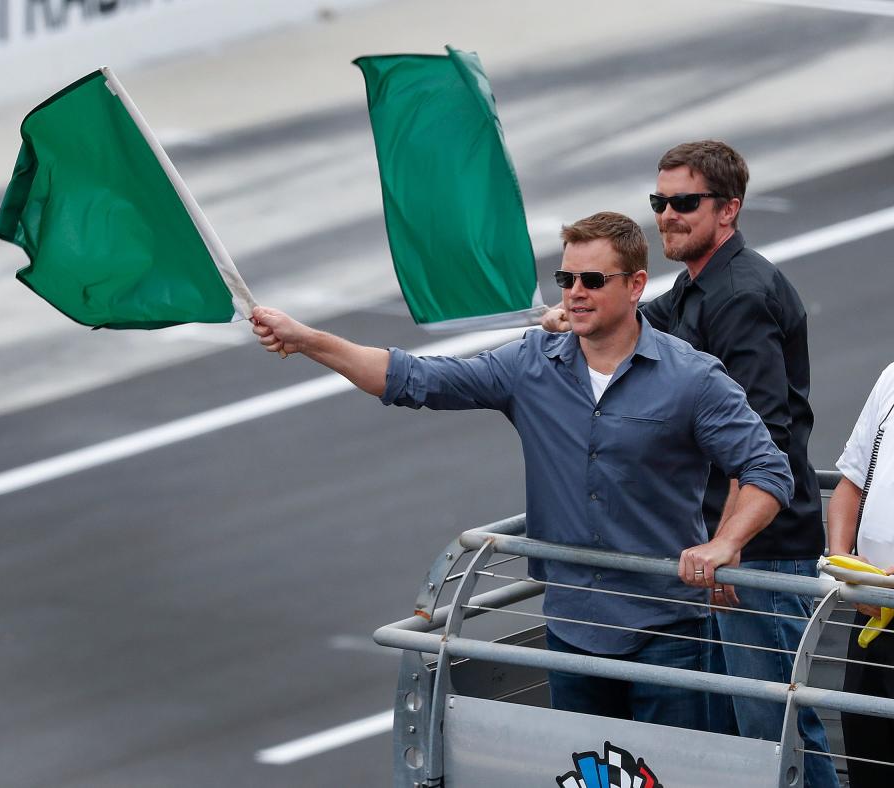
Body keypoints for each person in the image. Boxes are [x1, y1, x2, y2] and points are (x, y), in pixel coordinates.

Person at [253, 211, 793, 731]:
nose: (575, 291)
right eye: (566, 278)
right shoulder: (530, 363)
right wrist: (309, 341)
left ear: (635, 285)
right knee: (589, 777)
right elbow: (411, 379)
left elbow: (768, 468)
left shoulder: (692, 378)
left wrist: (726, 542)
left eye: (592, 279)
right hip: (571, 630)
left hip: (667, 633)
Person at [541, 141, 837, 787]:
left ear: (728, 209)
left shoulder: (741, 295)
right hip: (724, 546)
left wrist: (732, 542)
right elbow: (641, 322)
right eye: (660, 201)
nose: (667, 215)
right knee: (742, 728)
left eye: (684, 202)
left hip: (760, 549)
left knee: (774, 724)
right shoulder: (697, 287)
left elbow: (766, 438)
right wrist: (577, 315)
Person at [828, 363, 894, 787]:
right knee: (868, 761)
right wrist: (840, 561)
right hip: (871, 614)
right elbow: (849, 487)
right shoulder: (892, 376)